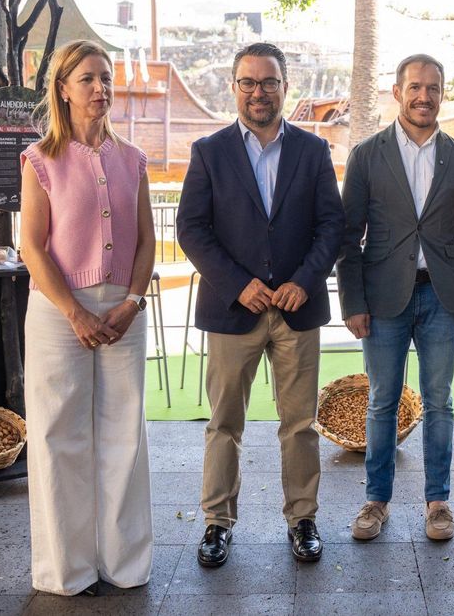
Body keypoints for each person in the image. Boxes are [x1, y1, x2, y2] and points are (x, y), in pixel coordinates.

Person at [177, 42, 344, 567]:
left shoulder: (313, 152)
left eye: (268, 82)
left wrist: (304, 279)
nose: (258, 92)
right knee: (225, 422)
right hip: (233, 311)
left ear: (284, 88)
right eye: (248, 82)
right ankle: (216, 524)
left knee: (299, 423)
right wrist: (237, 283)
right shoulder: (210, 151)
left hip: (298, 308)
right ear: (234, 88)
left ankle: (302, 519)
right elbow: (192, 228)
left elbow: (331, 226)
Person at [20, 40, 156, 595]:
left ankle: (126, 564)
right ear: (63, 88)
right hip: (58, 314)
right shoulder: (39, 159)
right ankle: (64, 571)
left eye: (106, 77)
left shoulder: (133, 159)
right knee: (58, 437)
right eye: (87, 79)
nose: (100, 88)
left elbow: (148, 240)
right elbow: (31, 247)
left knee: (126, 433)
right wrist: (75, 312)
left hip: (124, 308)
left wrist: (132, 302)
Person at [337, 53, 454, 542]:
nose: (424, 96)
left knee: (440, 402)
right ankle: (376, 501)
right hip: (383, 300)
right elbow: (348, 235)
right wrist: (352, 302)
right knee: (382, 401)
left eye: (434, 88)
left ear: (442, 93)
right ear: (398, 92)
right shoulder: (367, 154)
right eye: (415, 87)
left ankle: (438, 502)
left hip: (443, 299)